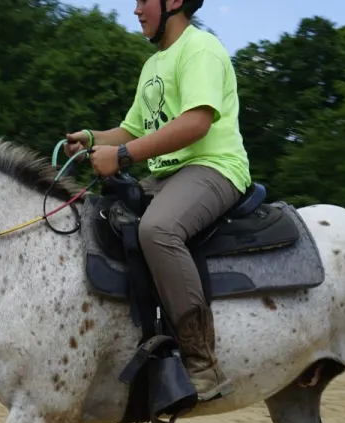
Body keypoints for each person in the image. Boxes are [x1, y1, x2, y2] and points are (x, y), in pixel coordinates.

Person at [64, 0, 250, 401]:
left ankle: (202, 364)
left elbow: (196, 123)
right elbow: (131, 129)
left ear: (174, 2)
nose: (135, 10)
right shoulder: (154, 66)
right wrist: (94, 139)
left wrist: (124, 157)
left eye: (142, 0)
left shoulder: (200, 48)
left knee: (158, 229)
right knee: (101, 218)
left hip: (214, 167)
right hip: (166, 175)